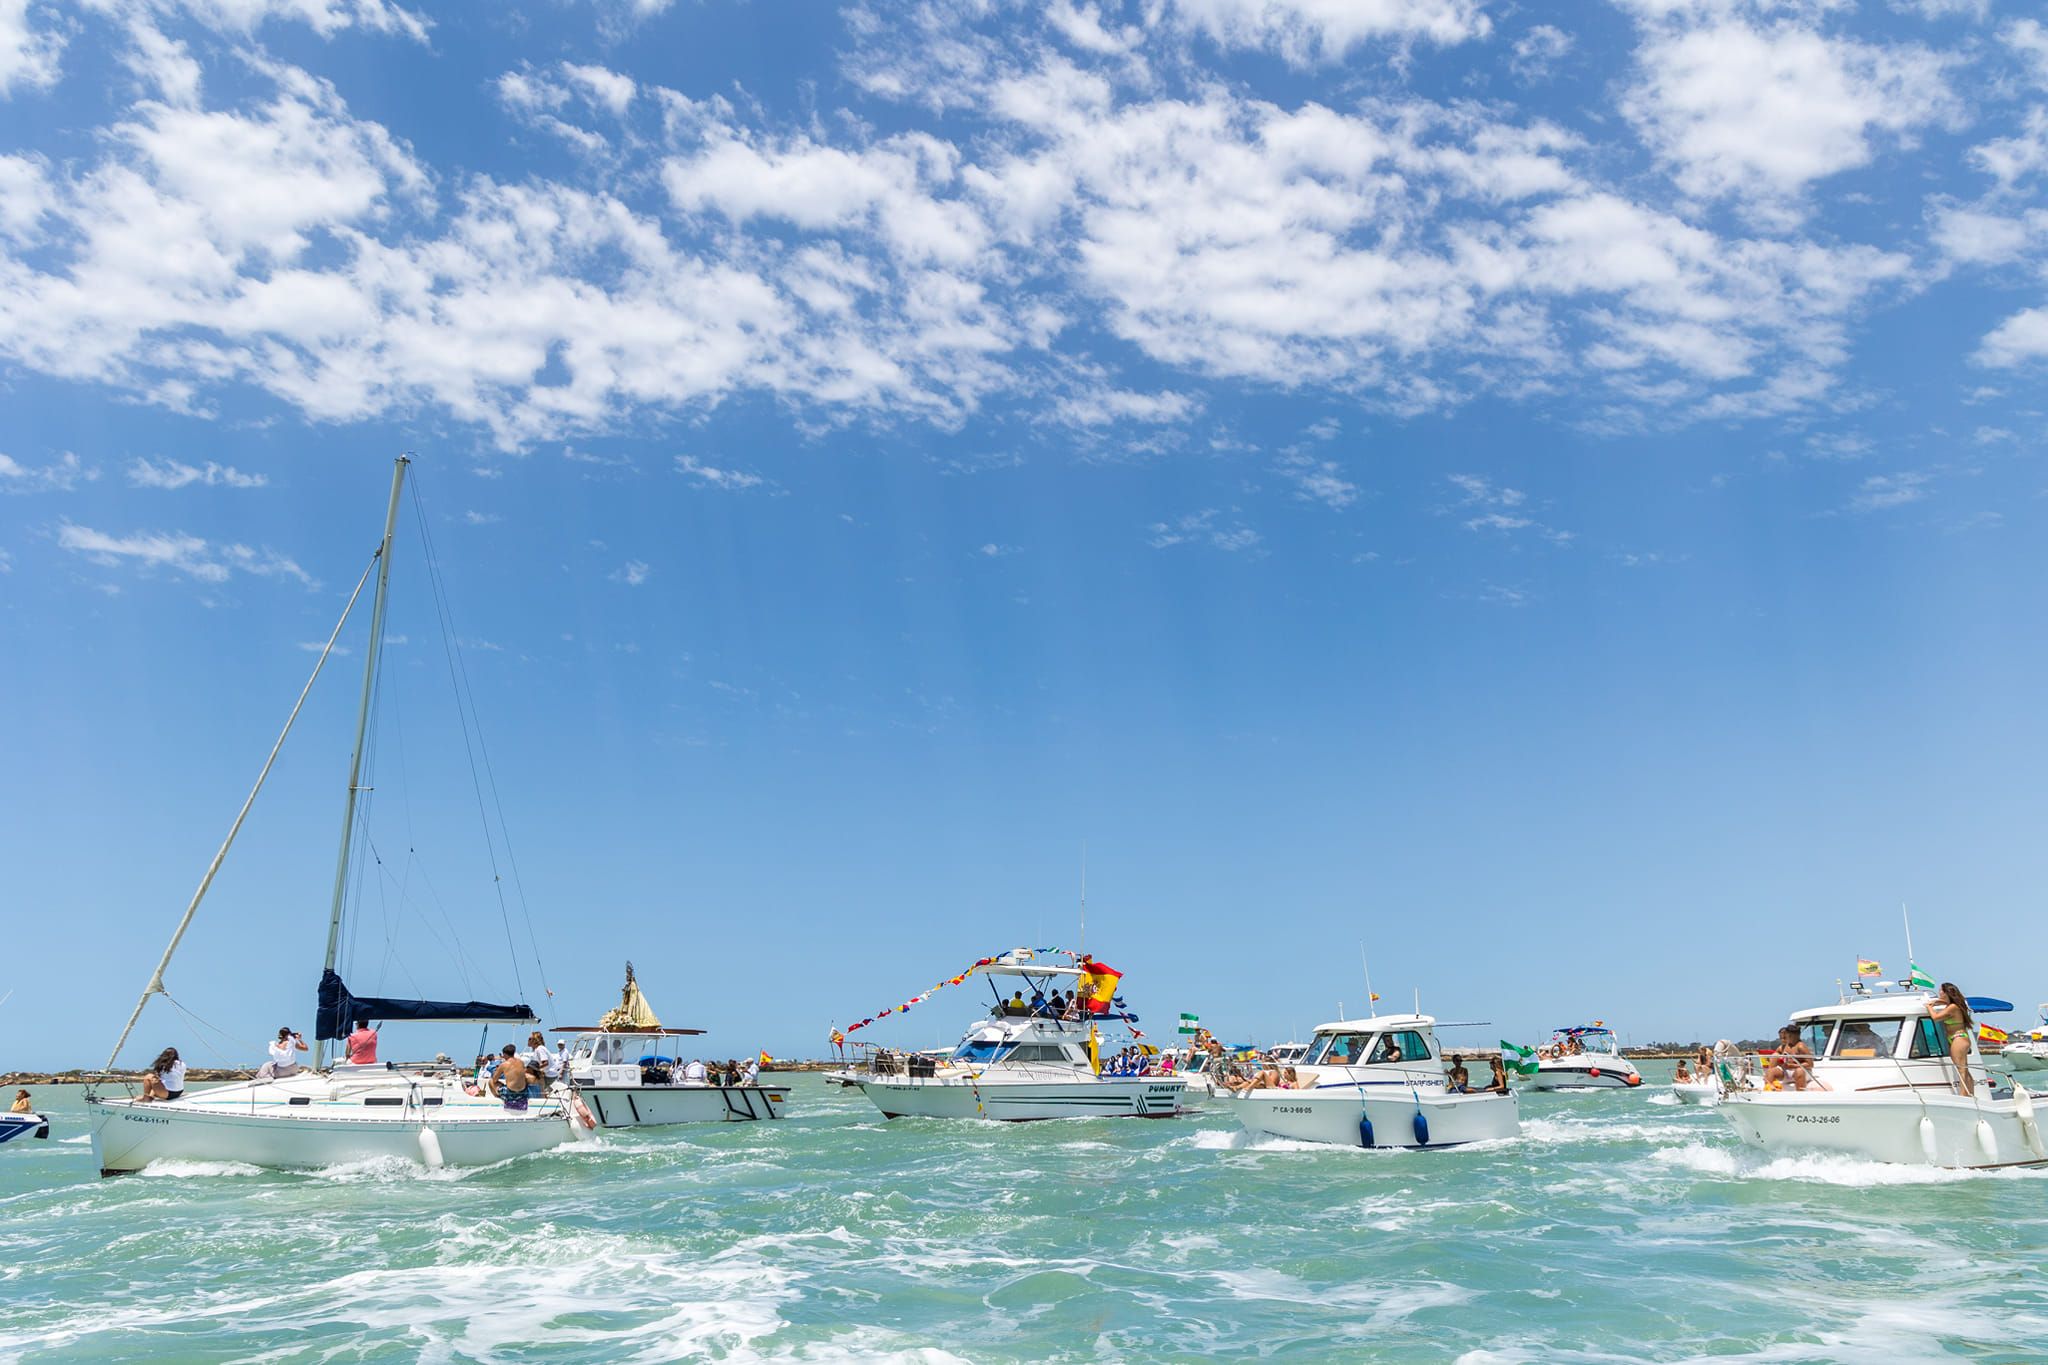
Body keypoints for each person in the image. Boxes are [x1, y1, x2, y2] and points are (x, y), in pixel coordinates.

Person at [1930, 982, 1977, 1097]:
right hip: (1958, 1038)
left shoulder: (1953, 1007)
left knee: (1961, 1069)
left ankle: (1963, 1096)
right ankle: (1970, 1094)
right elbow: (1946, 1002)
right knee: (1964, 1069)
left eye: (1941, 991)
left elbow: (1936, 1018)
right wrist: (1939, 1001)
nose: (1939, 992)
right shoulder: (1952, 1005)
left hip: (1958, 1038)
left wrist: (1929, 1006)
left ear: (1946, 993)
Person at [489, 1043, 531, 1111]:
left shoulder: (504, 1064)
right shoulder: (521, 1062)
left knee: (490, 1082)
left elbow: (494, 1080)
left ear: (505, 1054)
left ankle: (500, 1100)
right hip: (523, 1093)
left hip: (510, 1094)